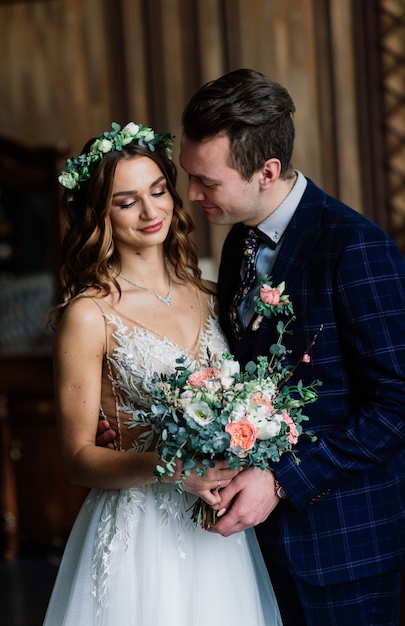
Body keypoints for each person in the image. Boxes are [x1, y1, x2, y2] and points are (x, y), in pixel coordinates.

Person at [99, 69, 405, 624]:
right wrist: (137, 419)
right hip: (245, 545)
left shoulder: (356, 248)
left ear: (265, 171)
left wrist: (284, 480)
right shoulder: (241, 236)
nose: (190, 196)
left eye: (206, 182)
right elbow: (232, 372)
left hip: (342, 547)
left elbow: (396, 406)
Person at [42, 121, 282, 626]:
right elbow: (77, 460)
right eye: (127, 201)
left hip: (220, 535)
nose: (151, 211)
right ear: (99, 214)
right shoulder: (89, 315)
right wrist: (170, 468)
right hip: (139, 533)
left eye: (158, 191)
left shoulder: (215, 296)